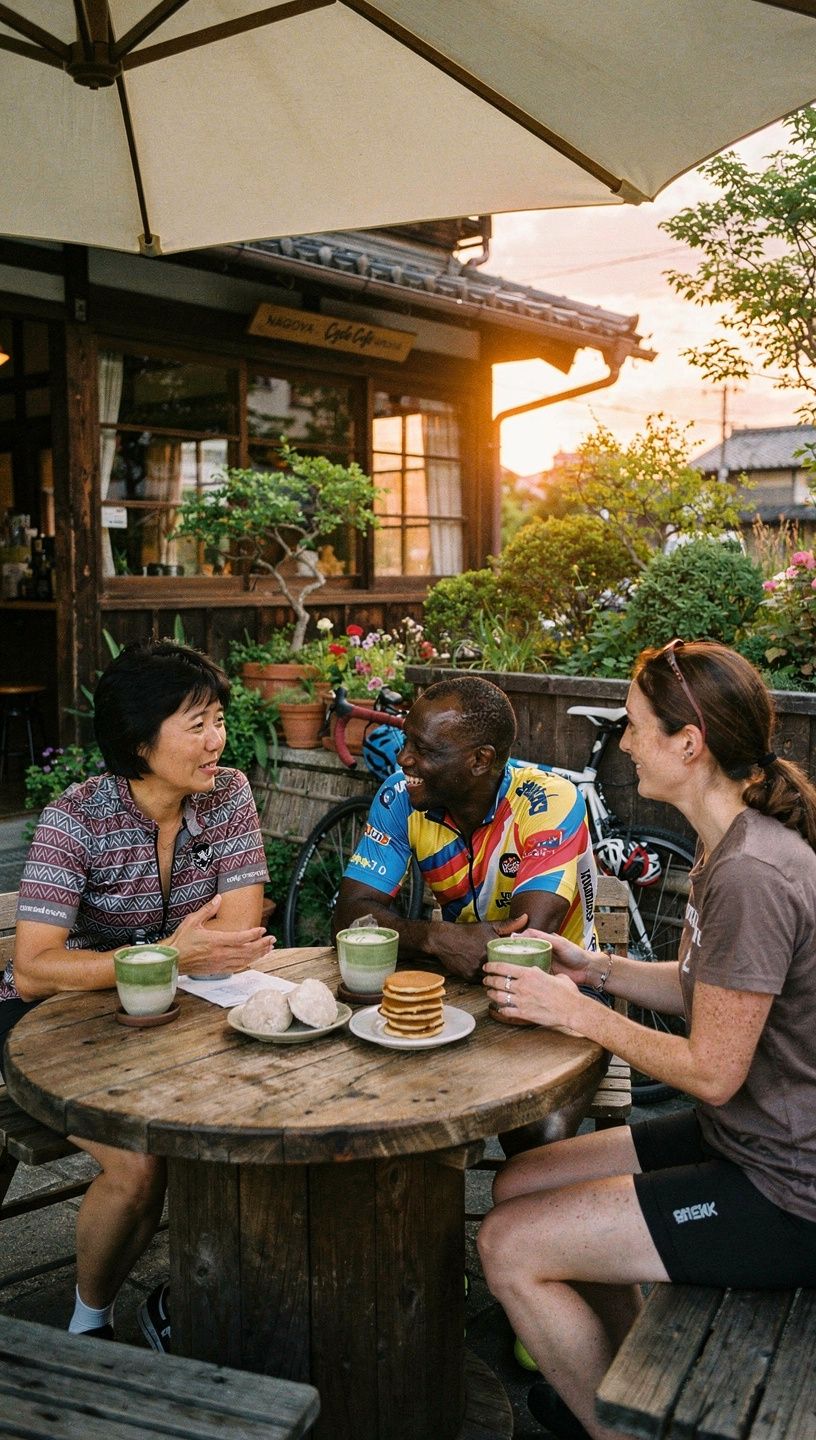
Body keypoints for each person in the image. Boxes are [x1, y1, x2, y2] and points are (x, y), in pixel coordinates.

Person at [478, 640, 816, 1440]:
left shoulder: (754, 874)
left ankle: (614, 1425)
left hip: (787, 1191)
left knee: (507, 1245)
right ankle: (633, 1378)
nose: (625, 743)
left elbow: (712, 1070)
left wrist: (577, 1015)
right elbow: (710, 987)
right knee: (519, 1180)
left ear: (688, 744)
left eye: (634, 726)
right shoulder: (728, 841)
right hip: (743, 1140)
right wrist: (595, 970)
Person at [1, 639, 272, 1350]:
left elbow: (237, 933)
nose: (218, 741)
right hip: (46, 1023)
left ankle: (209, 1299)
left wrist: (174, 962)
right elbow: (33, 968)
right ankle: (90, 1324)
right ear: (138, 741)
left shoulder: (229, 795)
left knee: (252, 1122)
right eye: (197, 725)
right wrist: (166, 955)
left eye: (218, 719)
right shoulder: (77, 819)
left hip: (165, 1017)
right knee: (140, 1161)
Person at [333, 675, 599, 1153]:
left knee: (532, 1137)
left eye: (424, 749)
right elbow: (351, 915)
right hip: (458, 994)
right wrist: (435, 938)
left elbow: (524, 947)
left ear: (481, 760)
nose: (403, 758)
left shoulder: (550, 801)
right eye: (406, 740)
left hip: (563, 998)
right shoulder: (400, 797)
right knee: (376, 1102)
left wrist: (422, 937)